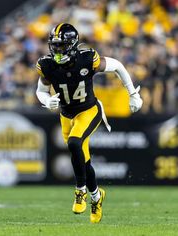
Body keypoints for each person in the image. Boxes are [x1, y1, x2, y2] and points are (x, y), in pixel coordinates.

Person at [36, 23, 143, 223]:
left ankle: (80, 191)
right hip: (66, 115)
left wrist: (133, 94)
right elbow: (40, 91)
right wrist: (46, 101)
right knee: (83, 161)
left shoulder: (87, 59)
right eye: (55, 46)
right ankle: (96, 196)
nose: (56, 50)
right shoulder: (46, 64)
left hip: (89, 110)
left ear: (72, 44)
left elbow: (118, 66)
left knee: (75, 143)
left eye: (61, 46)